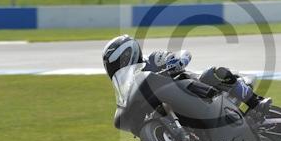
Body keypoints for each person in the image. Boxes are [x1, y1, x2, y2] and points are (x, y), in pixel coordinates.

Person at [102, 35, 272, 116]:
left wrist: (175, 63)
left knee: (214, 72)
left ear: (128, 55)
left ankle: (256, 101)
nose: (116, 68)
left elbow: (184, 54)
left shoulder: (153, 59)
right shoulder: (130, 85)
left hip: (197, 88)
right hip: (179, 109)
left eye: (117, 63)